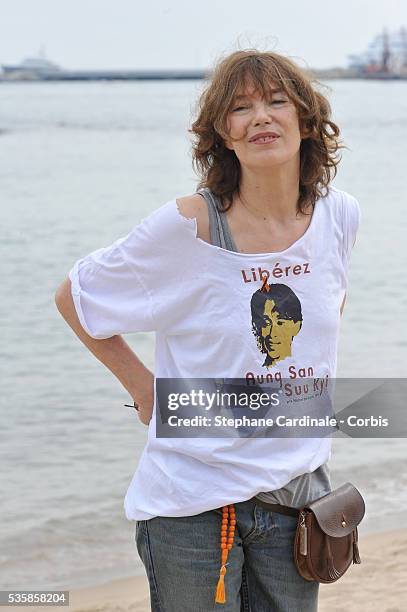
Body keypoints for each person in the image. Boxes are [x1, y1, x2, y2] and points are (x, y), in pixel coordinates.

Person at [55, 49, 361, 611]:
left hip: (297, 499)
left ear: (306, 119)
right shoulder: (188, 228)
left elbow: (329, 311)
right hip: (192, 504)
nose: (261, 117)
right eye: (241, 107)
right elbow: (76, 296)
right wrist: (143, 388)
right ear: (223, 133)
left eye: (276, 101)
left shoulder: (339, 215)